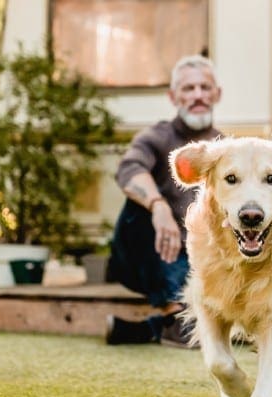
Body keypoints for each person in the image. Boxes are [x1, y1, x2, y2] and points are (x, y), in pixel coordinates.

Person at [105, 55, 222, 346]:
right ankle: (174, 310)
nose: (198, 95)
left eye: (205, 87)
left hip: (197, 258)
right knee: (139, 206)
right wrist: (158, 206)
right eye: (188, 88)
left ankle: (163, 327)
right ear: (173, 97)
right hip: (148, 255)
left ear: (217, 94)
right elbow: (129, 170)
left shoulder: (226, 148)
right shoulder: (157, 137)